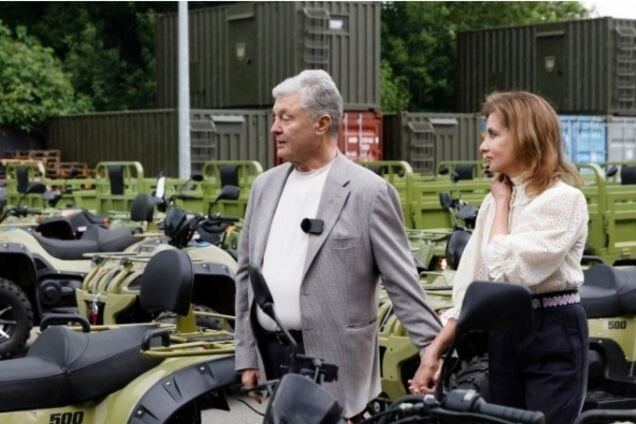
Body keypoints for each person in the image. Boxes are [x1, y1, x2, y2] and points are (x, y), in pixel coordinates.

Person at [234, 69, 441, 421]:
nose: (274, 128)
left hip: (335, 364)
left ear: (322, 123)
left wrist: (432, 353)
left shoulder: (369, 193)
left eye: (286, 117)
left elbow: (403, 285)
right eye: (274, 117)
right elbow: (244, 276)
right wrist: (247, 355)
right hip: (274, 356)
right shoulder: (264, 187)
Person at [412, 91, 589, 424]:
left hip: (552, 330)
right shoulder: (496, 198)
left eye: (493, 135)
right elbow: (473, 286)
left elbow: (509, 273)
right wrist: (434, 352)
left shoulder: (564, 201)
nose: (483, 146)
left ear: (525, 135)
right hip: (504, 334)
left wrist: (503, 205)